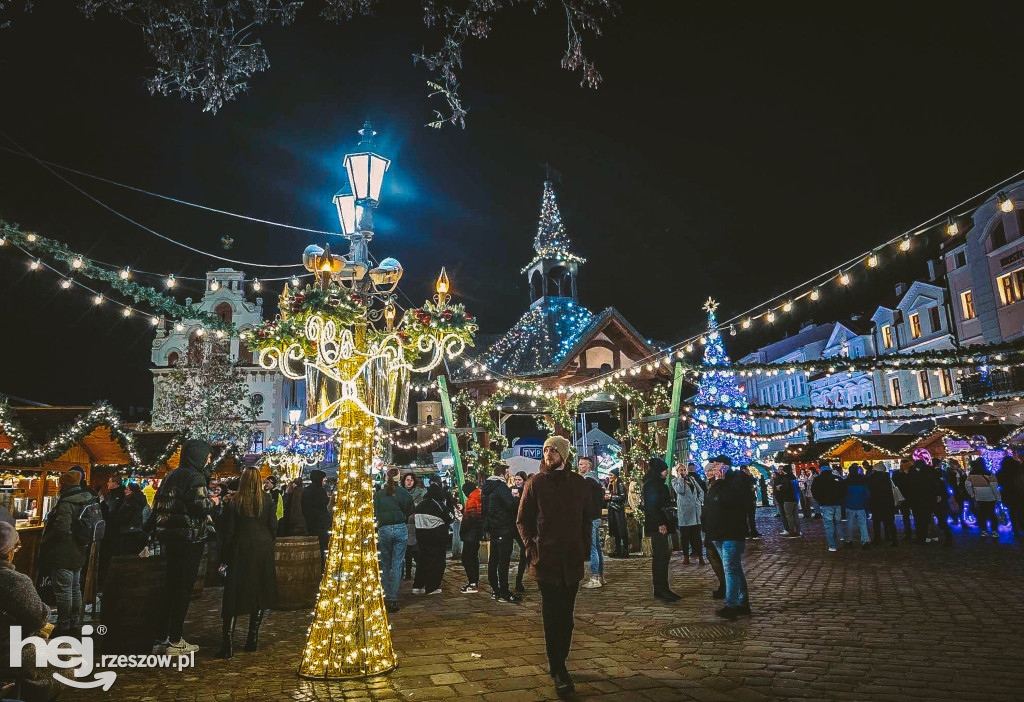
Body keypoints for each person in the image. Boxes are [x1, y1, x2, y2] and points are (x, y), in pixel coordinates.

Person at [517, 435, 597, 697]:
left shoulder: (579, 484)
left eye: (553, 450)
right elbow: (523, 520)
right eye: (546, 450)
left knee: (567, 616)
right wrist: (532, 547)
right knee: (552, 615)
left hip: (572, 559)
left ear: (564, 455)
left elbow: (587, 518)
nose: (548, 454)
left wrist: (584, 546)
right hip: (547, 560)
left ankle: (560, 658)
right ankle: (559, 667)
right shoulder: (536, 483)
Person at [150, 438, 217, 654]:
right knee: (182, 588)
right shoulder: (195, 476)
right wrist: (214, 502)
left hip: (170, 538)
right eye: (207, 454)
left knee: (170, 587)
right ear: (197, 455)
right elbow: (198, 506)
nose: (209, 459)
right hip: (189, 538)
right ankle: (175, 639)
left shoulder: (173, 475)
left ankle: (161, 637)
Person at [215, 467, 278, 658]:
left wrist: (223, 558)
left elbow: (228, 532)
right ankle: (252, 638)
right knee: (259, 592)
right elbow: (273, 527)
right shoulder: (266, 500)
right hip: (262, 548)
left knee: (233, 593)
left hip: (240, 548)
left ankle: (228, 643)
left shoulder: (235, 502)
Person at [0, 522, 60, 702]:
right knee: (65, 657)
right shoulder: (15, 581)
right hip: (7, 652)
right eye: (16, 547)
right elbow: (38, 618)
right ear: (9, 552)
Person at [39, 470, 95, 637]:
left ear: (64, 484)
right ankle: (74, 622)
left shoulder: (66, 502)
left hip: (63, 551)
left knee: (63, 590)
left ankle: (64, 626)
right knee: (75, 588)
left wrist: (48, 538)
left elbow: (62, 528)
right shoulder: (86, 498)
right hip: (79, 549)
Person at [702, 455, 751, 620]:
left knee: (730, 569)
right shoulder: (717, 482)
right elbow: (711, 505)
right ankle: (743, 603)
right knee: (734, 568)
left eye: (716, 464)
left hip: (731, 532)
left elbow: (733, 503)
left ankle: (732, 605)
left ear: (725, 466)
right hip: (718, 532)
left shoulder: (735, 481)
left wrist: (721, 484)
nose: (714, 468)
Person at [374, 467, 413, 613]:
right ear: (399, 478)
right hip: (399, 528)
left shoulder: (379, 494)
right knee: (397, 563)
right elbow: (410, 509)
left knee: (385, 563)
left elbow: (375, 511)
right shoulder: (404, 493)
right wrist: (402, 517)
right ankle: (393, 598)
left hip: (384, 529)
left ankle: (385, 595)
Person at [482, 464, 520, 603]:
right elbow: (510, 505)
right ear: (503, 474)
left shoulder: (486, 487)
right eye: (507, 473)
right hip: (503, 527)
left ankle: (495, 589)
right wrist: (516, 498)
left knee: (494, 560)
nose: (509, 475)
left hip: (493, 528)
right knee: (503, 561)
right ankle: (504, 590)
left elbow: (485, 509)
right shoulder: (501, 487)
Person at [643, 456, 678, 603]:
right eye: (665, 470)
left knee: (663, 556)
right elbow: (652, 506)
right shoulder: (653, 485)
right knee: (661, 556)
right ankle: (661, 588)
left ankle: (663, 588)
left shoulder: (657, 484)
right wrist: (660, 523)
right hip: (658, 525)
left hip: (661, 524)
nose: (667, 472)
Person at [412, 482, 452, 595]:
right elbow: (450, 517)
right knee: (436, 562)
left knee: (422, 561)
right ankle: (432, 587)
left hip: (421, 536)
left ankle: (418, 586)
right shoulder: (438, 504)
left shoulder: (420, 504)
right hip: (436, 536)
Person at [701, 460, 727, 600]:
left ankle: (725, 585)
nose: (708, 473)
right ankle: (724, 584)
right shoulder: (709, 485)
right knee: (712, 555)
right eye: (706, 471)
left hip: (716, 526)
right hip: (710, 525)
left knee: (717, 556)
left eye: (711, 470)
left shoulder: (719, 485)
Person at [578, 456, 606, 588]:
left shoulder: (587, 482)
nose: (580, 467)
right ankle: (600, 575)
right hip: (597, 515)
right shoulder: (596, 480)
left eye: (582, 464)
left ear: (589, 466)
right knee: (598, 547)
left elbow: (586, 502)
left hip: (590, 517)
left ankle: (595, 577)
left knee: (593, 547)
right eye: (579, 464)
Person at [672, 462, 704, 565]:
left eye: (684, 470)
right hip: (685, 513)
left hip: (695, 511)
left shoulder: (692, 479)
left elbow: (701, 491)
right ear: (677, 472)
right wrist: (681, 479)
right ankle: (686, 557)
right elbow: (680, 490)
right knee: (685, 537)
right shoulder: (675, 481)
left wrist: (699, 501)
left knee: (697, 537)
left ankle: (700, 556)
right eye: (681, 470)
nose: (683, 472)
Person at [98, 472, 126, 587]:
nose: (107, 483)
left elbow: (112, 515)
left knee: (108, 558)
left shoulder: (118, 497)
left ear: (115, 483)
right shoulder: (111, 495)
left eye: (109, 481)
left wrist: (103, 506)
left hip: (112, 533)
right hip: (108, 532)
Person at [811, 464, 846, 552]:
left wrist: (820, 499)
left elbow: (814, 491)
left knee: (829, 525)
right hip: (837, 503)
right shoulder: (837, 478)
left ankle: (832, 545)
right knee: (838, 522)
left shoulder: (818, 479)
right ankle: (841, 540)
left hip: (825, 504)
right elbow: (844, 490)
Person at [302, 469, 331, 569]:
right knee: (321, 548)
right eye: (323, 479)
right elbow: (324, 505)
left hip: (309, 524)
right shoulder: (320, 491)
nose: (324, 481)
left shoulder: (306, 490)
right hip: (320, 525)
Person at [966, 458, 1001, 539]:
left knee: (982, 514)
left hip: (979, 497)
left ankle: (984, 531)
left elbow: (967, 486)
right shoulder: (989, 474)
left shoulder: (971, 476)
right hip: (990, 497)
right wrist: (998, 498)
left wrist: (972, 495)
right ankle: (994, 531)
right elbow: (994, 488)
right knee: (992, 514)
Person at [459, 481, 483, 594]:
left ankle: (472, 583)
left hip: (470, 534)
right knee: (473, 558)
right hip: (477, 533)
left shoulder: (472, 499)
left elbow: (471, 518)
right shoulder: (480, 495)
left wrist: (462, 531)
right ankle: (474, 582)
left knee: (466, 558)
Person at [511, 471, 532, 592]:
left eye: (519, 480)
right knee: (525, 552)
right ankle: (520, 581)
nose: (517, 482)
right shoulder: (512, 490)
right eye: (516, 480)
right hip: (514, 526)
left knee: (526, 552)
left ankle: (522, 579)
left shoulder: (526, 491)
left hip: (524, 526)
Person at [867, 464, 898, 546]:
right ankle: (894, 539)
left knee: (876, 522)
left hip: (876, 503)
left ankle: (877, 539)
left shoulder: (872, 478)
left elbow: (870, 489)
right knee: (890, 522)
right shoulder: (887, 478)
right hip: (888, 503)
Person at [403, 473, 425, 580]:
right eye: (407, 479)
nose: (409, 482)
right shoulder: (399, 493)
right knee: (406, 552)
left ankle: (419, 574)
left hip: (416, 525)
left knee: (416, 551)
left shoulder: (420, 493)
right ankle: (407, 573)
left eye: (411, 480)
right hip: (403, 525)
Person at [843, 464, 871, 548]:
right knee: (862, 524)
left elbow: (844, 494)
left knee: (849, 524)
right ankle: (865, 541)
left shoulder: (847, 481)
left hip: (850, 505)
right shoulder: (862, 480)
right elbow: (867, 493)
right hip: (861, 505)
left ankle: (849, 540)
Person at [119, 481, 150, 556]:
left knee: (128, 555)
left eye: (127, 489)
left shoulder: (130, 502)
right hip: (140, 532)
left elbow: (123, 517)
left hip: (129, 533)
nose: (124, 491)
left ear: (131, 491)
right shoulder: (143, 502)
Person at [997, 454, 1024, 537]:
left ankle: (1015, 529)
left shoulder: (1001, 473)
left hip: (1007, 494)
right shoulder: (1017, 470)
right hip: (1018, 493)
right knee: (1020, 510)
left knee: (1012, 511)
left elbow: (998, 483)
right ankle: (1021, 526)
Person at [606, 468, 629, 557]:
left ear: (615, 476)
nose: (609, 477)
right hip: (612, 510)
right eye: (609, 475)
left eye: (611, 475)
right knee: (615, 531)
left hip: (618, 510)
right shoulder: (610, 484)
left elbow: (622, 497)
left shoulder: (619, 484)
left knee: (621, 530)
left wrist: (611, 497)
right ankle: (618, 550)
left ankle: (625, 550)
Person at [775, 465, 801, 537]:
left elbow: (786, 488)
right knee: (795, 515)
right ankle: (798, 531)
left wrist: (780, 488)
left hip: (788, 499)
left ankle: (791, 531)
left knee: (789, 516)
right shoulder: (793, 477)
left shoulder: (786, 478)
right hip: (795, 498)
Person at [892, 462, 914, 539]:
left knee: (906, 516)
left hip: (904, 497)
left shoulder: (899, 474)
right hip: (907, 497)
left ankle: (909, 533)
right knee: (907, 515)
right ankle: (909, 533)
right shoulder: (909, 474)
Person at [739, 466, 761, 538]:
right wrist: (750, 475)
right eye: (747, 469)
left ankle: (748, 531)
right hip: (748, 499)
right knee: (750, 516)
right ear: (744, 470)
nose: (748, 471)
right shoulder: (745, 477)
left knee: (747, 517)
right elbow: (753, 481)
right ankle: (752, 532)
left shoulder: (740, 476)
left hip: (745, 499)